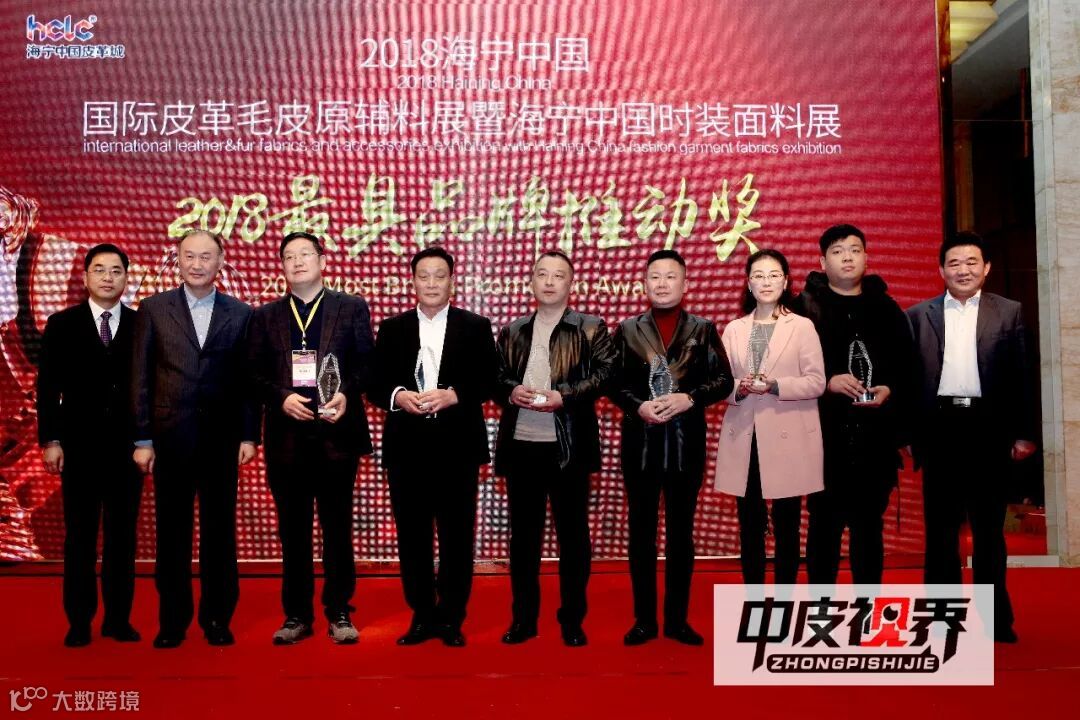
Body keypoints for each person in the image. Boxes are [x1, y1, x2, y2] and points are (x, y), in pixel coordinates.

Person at [907, 231, 1037, 644]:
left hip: (988, 428)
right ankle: (942, 619)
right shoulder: (918, 315)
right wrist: (908, 433)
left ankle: (995, 618)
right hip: (939, 429)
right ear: (941, 270)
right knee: (940, 532)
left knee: (988, 531)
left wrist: (1024, 433)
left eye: (971, 262)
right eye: (954, 263)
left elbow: (1023, 373)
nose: (963, 270)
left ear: (986, 268)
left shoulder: (1009, 311)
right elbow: (909, 381)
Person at [130, 229, 257, 649]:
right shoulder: (153, 308)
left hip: (222, 440)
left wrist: (249, 434)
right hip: (170, 438)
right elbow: (140, 378)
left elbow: (248, 382)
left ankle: (217, 618)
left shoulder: (241, 313)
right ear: (178, 259)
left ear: (221, 261)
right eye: (190, 256)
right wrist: (142, 438)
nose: (197, 264)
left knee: (219, 532)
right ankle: (172, 621)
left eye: (206, 256)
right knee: (172, 533)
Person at [246, 231, 374, 645]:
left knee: (337, 528)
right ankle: (297, 615)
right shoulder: (265, 316)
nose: (297, 261)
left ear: (322, 260)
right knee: (293, 531)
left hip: (336, 435)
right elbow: (252, 374)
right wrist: (281, 399)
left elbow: (367, 366)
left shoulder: (350, 307)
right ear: (282, 266)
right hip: (286, 439)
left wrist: (346, 394)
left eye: (305, 254)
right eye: (289, 256)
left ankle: (339, 610)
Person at [370, 246, 497, 647]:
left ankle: (451, 618)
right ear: (412, 282)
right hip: (407, 450)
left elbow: (490, 379)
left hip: (457, 448)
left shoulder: (475, 326)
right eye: (423, 276)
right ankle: (422, 615)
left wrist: (454, 394)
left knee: (457, 536)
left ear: (452, 282)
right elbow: (374, 383)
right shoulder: (392, 328)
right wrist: (398, 395)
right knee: (413, 537)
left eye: (439, 276)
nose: (431, 283)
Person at [611, 249, 734, 646]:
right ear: (644, 284)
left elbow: (724, 380)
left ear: (685, 284)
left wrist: (690, 398)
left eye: (670, 276)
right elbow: (613, 383)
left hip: (686, 445)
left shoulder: (703, 328)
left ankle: (677, 621)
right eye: (655, 277)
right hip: (641, 446)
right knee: (641, 535)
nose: (662, 283)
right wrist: (637, 405)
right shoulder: (627, 330)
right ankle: (644, 620)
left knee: (681, 534)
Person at [493, 250, 615, 647]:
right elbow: (494, 376)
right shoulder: (513, 331)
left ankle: (572, 619)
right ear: (531, 281)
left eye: (558, 275)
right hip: (522, 447)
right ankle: (524, 619)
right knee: (523, 540)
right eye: (542, 274)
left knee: (573, 538)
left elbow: (607, 374)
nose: (549, 281)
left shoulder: (591, 327)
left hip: (568, 447)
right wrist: (510, 390)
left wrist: (566, 395)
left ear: (570, 283)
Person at [793, 225, 915, 585]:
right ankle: (822, 612)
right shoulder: (803, 311)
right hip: (822, 439)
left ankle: (866, 611)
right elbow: (787, 369)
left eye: (854, 250)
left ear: (866, 258)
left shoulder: (887, 309)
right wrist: (827, 381)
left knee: (869, 530)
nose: (847, 257)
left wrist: (890, 389)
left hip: (874, 440)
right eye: (837, 251)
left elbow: (908, 366)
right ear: (822, 261)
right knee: (823, 529)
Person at [37, 244, 143, 647]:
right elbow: (47, 388)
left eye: (116, 270)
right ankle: (79, 621)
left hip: (127, 450)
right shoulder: (62, 324)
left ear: (126, 278)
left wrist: (147, 440)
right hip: (78, 449)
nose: (107, 277)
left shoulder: (141, 324)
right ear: (85, 278)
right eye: (99, 270)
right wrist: (51, 439)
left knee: (122, 538)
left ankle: (118, 619)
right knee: (79, 538)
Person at [715, 249, 826, 585]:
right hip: (745, 436)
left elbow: (817, 381)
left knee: (787, 525)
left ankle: (784, 600)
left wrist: (776, 385)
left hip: (787, 436)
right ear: (748, 283)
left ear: (785, 281)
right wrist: (740, 388)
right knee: (750, 525)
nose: (766, 282)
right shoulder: (734, 329)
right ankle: (753, 600)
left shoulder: (802, 327)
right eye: (758, 276)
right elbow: (720, 383)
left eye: (774, 275)